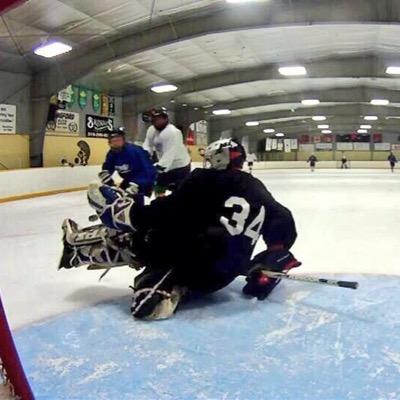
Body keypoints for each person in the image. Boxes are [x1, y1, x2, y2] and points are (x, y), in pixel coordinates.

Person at [58, 138, 300, 320]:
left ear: (219, 158)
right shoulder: (259, 190)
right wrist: (272, 259)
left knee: (140, 236)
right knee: (182, 237)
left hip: (190, 259)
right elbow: (284, 221)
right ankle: (169, 287)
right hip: (221, 278)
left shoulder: (206, 178)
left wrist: (130, 214)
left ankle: (80, 249)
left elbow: (170, 210)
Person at [99, 129, 157, 205]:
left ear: (123, 141)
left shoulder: (135, 151)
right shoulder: (111, 154)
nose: (116, 143)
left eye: (118, 140)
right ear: (109, 143)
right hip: (129, 180)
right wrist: (107, 177)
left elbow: (148, 170)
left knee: (136, 201)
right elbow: (108, 167)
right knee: (119, 199)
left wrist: (137, 184)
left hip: (144, 179)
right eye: (113, 141)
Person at [143, 108, 191, 196]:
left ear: (166, 119)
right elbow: (147, 145)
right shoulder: (151, 130)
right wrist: (144, 159)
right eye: (155, 119)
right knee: (159, 189)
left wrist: (157, 168)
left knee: (180, 193)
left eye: (161, 118)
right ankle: (161, 206)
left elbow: (170, 153)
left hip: (180, 167)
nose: (158, 121)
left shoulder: (173, 132)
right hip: (164, 165)